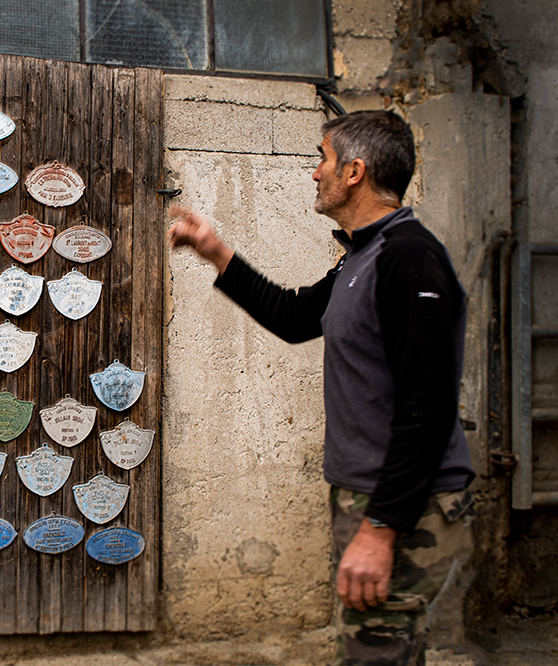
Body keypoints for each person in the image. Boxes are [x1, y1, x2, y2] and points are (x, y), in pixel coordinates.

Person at [167, 110, 475, 666]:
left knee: (375, 653)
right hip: (373, 496)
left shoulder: (409, 258)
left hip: (406, 504)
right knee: (385, 648)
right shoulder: (363, 255)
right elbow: (292, 316)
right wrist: (215, 251)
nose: (315, 172)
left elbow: (425, 411)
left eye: (323, 159)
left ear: (354, 171)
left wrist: (381, 529)